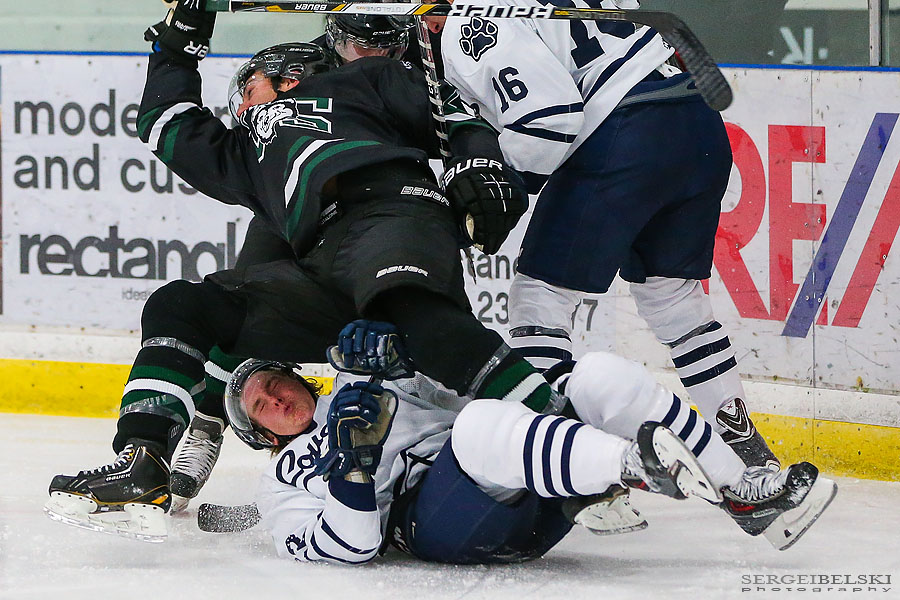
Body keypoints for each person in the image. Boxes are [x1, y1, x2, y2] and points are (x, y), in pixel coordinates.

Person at [42, 0, 583, 540]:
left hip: (389, 211)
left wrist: (479, 161)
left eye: (247, 90)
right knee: (181, 306)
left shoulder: (361, 83)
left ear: (281, 76)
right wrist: (179, 43)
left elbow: (453, 116)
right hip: (319, 261)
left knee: (415, 317)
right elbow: (164, 122)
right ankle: (146, 462)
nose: (242, 107)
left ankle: (568, 440)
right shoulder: (241, 153)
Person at [422, 0, 779, 469]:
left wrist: (499, 189)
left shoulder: (474, 23)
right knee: (673, 299)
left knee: (540, 303)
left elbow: (549, 122)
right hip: (696, 121)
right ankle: (747, 453)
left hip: (624, 136)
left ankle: (569, 458)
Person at [229, 350, 836, 564]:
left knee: (599, 376)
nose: (277, 398)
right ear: (262, 434)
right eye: (261, 406)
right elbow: (351, 547)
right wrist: (352, 470)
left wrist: (402, 366)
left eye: (277, 383)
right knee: (477, 429)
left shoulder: (365, 385)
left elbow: (466, 390)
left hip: (531, 476)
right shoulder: (281, 481)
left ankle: (749, 498)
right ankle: (632, 466)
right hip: (445, 524)